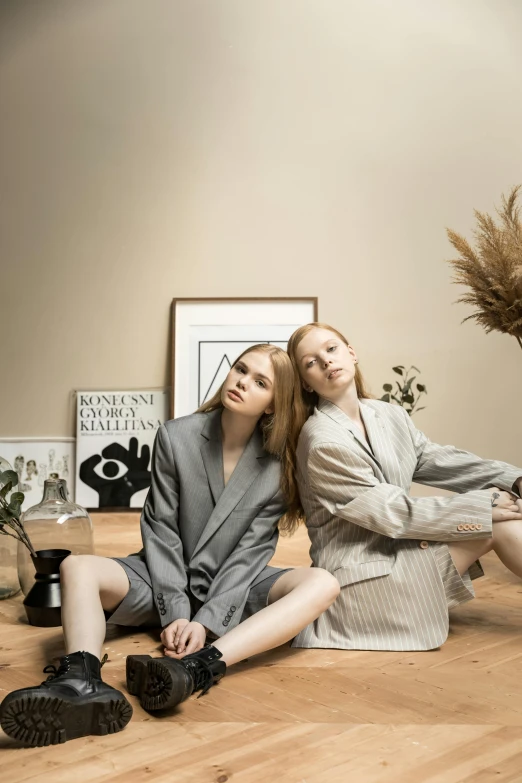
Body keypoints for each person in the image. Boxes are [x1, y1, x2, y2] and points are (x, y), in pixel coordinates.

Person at [0, 344, 339, 747]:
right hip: (161, 576)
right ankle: (81, 681)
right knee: (76, 567)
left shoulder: (279, 463)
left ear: (272, 405)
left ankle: (199, 667)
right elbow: (160, 528)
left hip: (234, 584)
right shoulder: (175, 436)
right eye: (240, 369)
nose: (242, 382)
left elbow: (251, 553)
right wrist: (176, 611)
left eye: (260, 382)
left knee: (322, 583)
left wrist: (206, 621)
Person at [286, 322, 522, 652]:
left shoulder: (388, 414)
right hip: (363, 579)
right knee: (500, 522)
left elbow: (437, 459)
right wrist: (484, 507)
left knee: (506, 509)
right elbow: (394, 513)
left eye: (331, 348)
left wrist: (515, 479)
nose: (325, 361)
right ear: (306, 384)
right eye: (310, 362)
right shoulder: (322, 441)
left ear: (351, 354)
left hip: (399, 552)